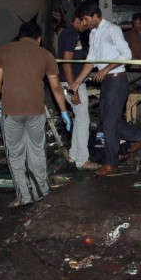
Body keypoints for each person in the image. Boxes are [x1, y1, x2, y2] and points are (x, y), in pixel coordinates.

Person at [0, 20, 70, 207]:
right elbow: (56, 87)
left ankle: (24, 196)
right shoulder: (46, 55)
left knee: (15, 154)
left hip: (10, 111)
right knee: (36, 151)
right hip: (35, 111)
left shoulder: (4, 50)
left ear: (20, 36)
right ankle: (41, 191)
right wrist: (64, 111)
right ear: (39, 38)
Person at [70, 0, 141, 177]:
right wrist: (77, 82)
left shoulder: (112, 30)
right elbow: (91, 61)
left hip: (117, 80)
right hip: (106, 82)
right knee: (107, 121)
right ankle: (140, 135)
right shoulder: (93, 34)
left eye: (85, 19)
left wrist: (106, 68)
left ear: (94, 16)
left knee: (109, 124)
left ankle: (111, 163)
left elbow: (127, 55)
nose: (83, 23)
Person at [58, 14, 100, 170]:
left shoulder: (67, 33)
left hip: (69, 83)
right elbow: (67, 64)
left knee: (79, 118)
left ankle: (73, 154)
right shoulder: (71, 33)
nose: (85, 24)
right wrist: (73, 90)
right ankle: (82, 160)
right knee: (83, 120)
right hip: (71, 84)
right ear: (75, 19)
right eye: (83, 21)